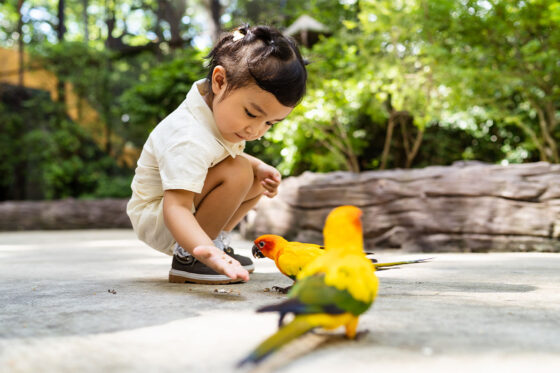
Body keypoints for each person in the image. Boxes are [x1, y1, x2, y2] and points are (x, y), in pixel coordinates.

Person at [126, 25, 307, 285]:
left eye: (270, 123)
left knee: (252, 175)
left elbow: (222, 156)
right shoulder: (188, 136)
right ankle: (190, 256)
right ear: (220, 81)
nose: (256, 130)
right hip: (161, 216)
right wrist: (204, 252)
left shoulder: (217, 113)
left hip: (177, 211)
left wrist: (259, 166)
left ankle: (213, 240)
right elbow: (175, 206)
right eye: (252, 114)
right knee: (239, 171)